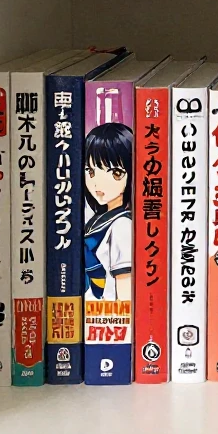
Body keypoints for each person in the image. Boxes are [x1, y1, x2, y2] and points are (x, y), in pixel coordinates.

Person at [84, 121, 133, 303]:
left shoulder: (122, 225)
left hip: (108, 313)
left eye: (115, 173)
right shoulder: (98, 219)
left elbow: (125, 293)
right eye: (90, 171)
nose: (98, 183)